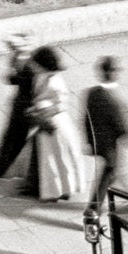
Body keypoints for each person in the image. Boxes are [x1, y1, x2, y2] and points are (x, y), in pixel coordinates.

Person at [26, 46, 84, 202]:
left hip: (55, 123)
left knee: (57, 158)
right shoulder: (42, 76)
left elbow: (61, 105)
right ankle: (57, 189)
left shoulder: (56, 82)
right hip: (45, 119)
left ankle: (59, 190)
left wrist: (42, 112)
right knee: (53, 159)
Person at [82, 56, 128, 215]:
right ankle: (94, 208)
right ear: (112, 73)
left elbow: (86, 119)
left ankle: (116, 196)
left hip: (98, 142)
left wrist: (89, 141)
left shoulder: (91, 93)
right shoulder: (111, 99)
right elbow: (119, 126)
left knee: (111, 173)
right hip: (109, 145)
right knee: (109, 172)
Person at [0, 33, 37, 178]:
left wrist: (12, 75)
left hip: (21, 102)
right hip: (25, 103)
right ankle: (3, 165)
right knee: (17, 136)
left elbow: (12, 79)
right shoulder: (29, 61)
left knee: (12, 135)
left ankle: (1, 163)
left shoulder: (20, 60)